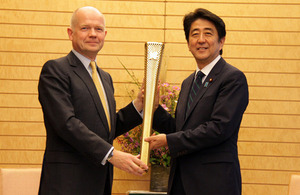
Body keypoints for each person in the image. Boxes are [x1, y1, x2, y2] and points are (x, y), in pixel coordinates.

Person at [38, 6, 148, 195]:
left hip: (100, 182)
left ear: (105, 34)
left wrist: (138, 106)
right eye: (85, 28)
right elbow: (66, 124)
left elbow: (105, 129)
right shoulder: (55, 70)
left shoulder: (105, 78)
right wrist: (112, 154)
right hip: (67, 184)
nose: (93, 34)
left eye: (98, 29)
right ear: (70, 33)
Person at [145, 8, 249, 195]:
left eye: (208, 33)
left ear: (221, 41)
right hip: (181, 182)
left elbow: (219, 128)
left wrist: (168, 141)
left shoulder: (232, 78)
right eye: (195, 34)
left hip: (214, 183)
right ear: (188, 43)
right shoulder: (188, 83)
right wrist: (153, 108)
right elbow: (181, 129)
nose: (201, 39)